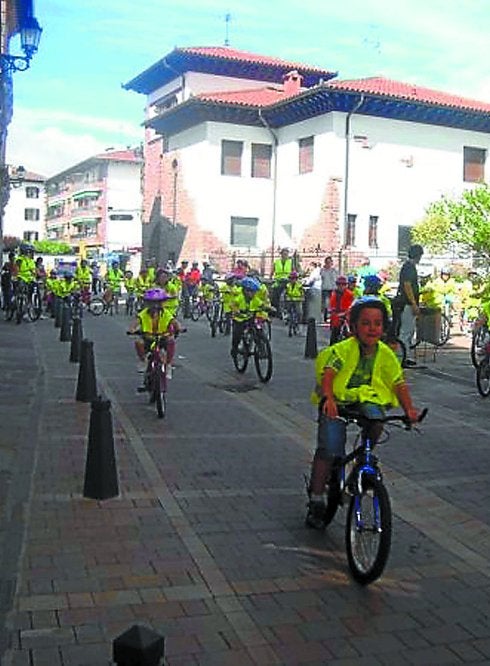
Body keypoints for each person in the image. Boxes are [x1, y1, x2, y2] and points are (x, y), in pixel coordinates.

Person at [305, 297, 420, 529]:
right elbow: (329, 374)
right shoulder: (344, 349)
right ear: (354, 326)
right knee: (329, 449)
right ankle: (316, 497)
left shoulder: (385, 353)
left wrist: (409, 409)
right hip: (337, 399)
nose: (372, 328)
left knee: (377, 421)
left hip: (365, 399)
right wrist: (328, 398)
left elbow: (398, 382)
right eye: (365, 323)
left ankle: (360, 463)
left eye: (377, 323)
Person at [127, 287, 182, 380]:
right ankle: (143, 361)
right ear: (148, 303)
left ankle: (168, 365)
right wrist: (132, 329)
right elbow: (135, 322)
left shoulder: (166, 313)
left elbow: (174, 322)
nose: (155, 306)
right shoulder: (143, 313)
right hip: (147, 337)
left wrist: (179, 328)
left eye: (158, 303)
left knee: (171, 341)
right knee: (138, 342)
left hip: (162, 337)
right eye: (152, 303)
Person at [396, 244, 424, 368]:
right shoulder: (409, 267)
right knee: (406, 331)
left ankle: (405, 356)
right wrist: (413, 303)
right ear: (417, 255)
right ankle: (402, 357)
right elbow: (407, 285)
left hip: (407, 303)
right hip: (407, 304)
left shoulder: (408, 266)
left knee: (409, 330)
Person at [230, 276, 271, 358]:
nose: (253, 294)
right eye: (251, 292)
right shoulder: (239, 298)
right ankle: (234, 349)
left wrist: (269, 308)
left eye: (254, 292)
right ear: (245, 291)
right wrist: (236, 310)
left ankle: (262, 348)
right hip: (239, 319)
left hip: (250, 317)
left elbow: (261, 304)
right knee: (237, 335)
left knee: (258, 331)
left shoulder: (254, 298)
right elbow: (233, 305)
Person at [328, 275, 354, 345]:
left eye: (343, 284)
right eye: (339, 284)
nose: (341, 286)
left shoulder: (349, 294)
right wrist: (331, 310)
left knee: (348, 332)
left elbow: (351, 306)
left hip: (346, 316)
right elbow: (331, 305)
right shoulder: (334, 293)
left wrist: (346, 313)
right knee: (334, 334)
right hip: (336, 317)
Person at [271, 248, 293, 312]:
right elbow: (272, 271)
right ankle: (276, 309)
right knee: (275, 294)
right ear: (281, 254)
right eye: (284, 254)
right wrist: (271, 278)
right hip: (278, 280)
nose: (285, 255)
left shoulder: (290, 262)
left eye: (287, 254)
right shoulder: (276, 262)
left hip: (288, 280)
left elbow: (293, 271)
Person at [320, 256, 338, 321]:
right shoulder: (322, 270)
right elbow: (321, 276)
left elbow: (336, 279)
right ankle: (325, 316)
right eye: (327, 262)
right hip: (325, 289)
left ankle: (332, 316)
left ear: (331, 263)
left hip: (333, 289)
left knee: (333, 303)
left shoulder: (334, 270)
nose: (328, 264)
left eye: (329, 262)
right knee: (326, 304)